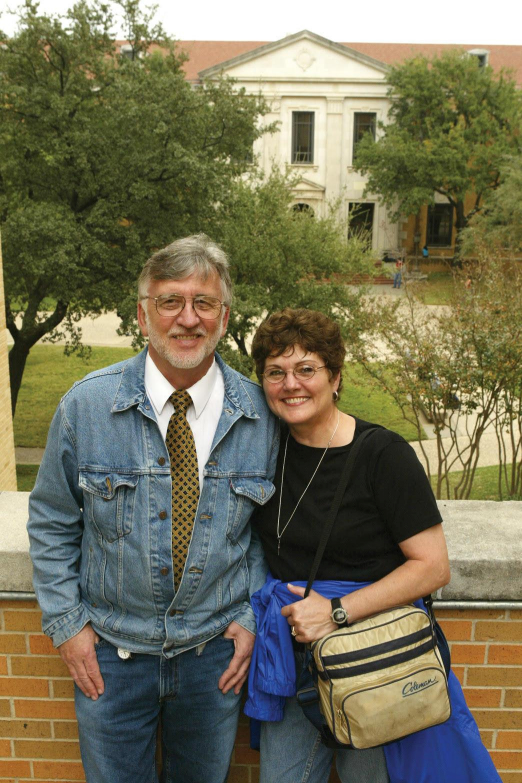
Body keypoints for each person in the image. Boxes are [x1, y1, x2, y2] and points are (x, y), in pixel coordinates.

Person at [27, 234, 279, 783]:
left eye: (203, 303)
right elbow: (51, 521)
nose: (187, 319)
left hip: (215, 659)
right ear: (143, 317)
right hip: (111, 659)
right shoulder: (86, 407)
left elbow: (269, 535)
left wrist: (249, 618)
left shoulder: (262, 417)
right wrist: (68, 627)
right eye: (170, 301)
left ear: (224, 316)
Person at [246, 307, 501, 783]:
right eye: (275, 373)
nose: (290, 384)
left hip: (371, 661)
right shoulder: (266, 450)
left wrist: (337, 610)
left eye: (307, 369)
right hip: (292, 654)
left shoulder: (382, 455)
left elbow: (432, 567)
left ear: (335, 377)